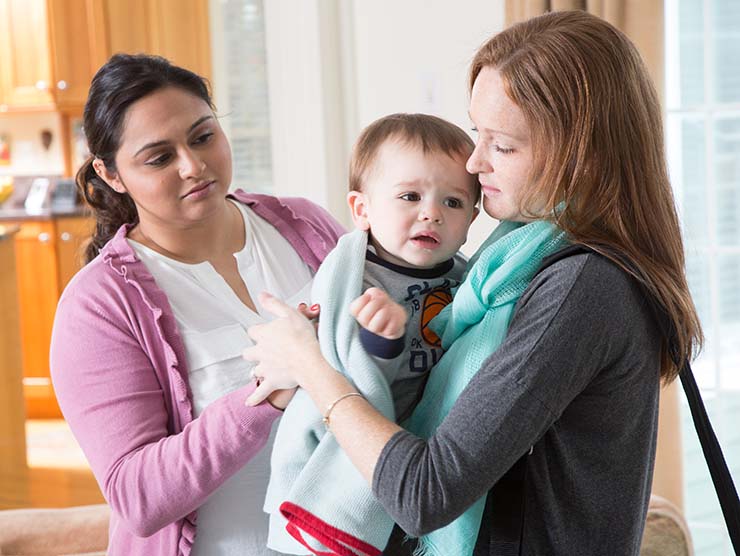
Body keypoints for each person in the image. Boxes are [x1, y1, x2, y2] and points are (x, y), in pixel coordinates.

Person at [243, 10, 703, 556]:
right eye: (475, 133)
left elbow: (426, 493)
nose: (474, 160)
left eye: (503, 145)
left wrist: (313, 368)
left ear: (583, 158)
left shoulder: (581, 285)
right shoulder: (510, 263)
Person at [49, 53, 345, 556]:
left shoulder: (306, 225)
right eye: (160, 158)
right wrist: (268, 391)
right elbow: (137, 497)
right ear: (111, 173)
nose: (194, 166)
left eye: (203, 136)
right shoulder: (98, 305)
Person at [263, 113, 479, 555]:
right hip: (361, 452)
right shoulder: (357, 282)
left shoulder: (467, 283)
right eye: (410, 196)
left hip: (423, 465)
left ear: (472, 219)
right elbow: (344, 365)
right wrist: (380, 339)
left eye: (453, 203)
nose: (431, 213)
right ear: (362, 209)